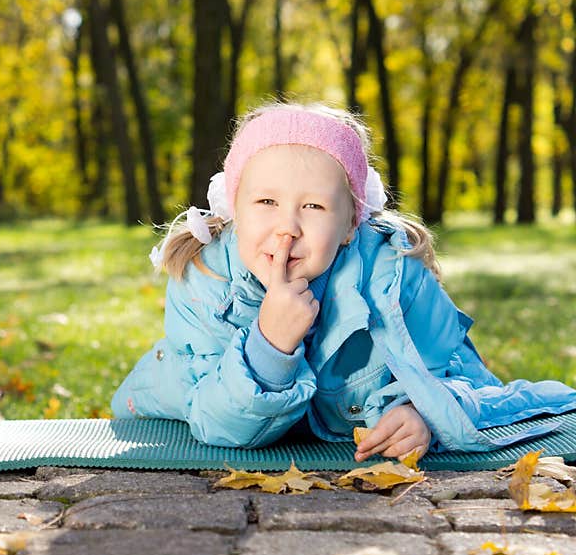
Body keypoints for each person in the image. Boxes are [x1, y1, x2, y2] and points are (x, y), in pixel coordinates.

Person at [111, 100, 576, 462]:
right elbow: (222, 428)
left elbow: (461, 378)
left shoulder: (397, 277)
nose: (287, 227)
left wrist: (422, 414)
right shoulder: (204, 278)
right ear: (233, 208)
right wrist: (269, 346)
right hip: (186, 401)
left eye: (313, 207)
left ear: (352, 223)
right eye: (266, 202)